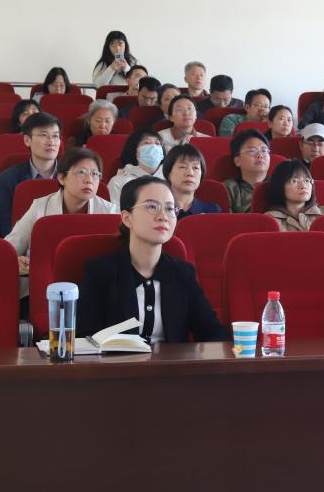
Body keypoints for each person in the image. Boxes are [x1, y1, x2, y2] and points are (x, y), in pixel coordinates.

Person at [77, 176, 230, 344]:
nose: (163, 216)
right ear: (127, 218)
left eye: (170, 209)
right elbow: (85, 339)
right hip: (116, 361)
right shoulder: (99, 272)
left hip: (172, 361)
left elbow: (213, 333)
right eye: (152, 207)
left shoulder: (182, 273)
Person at [6, 148, 118, 274]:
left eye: (95, 174)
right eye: (81, 172)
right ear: (61, 178)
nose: (89, 180)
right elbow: (9, 248)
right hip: (48, 277)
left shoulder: (109, 211)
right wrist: (15, 260)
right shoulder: (40, 207)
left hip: (94, 277)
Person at [0, 112, 61, 237]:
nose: (51, 142)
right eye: (44, 135)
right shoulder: (8, 178)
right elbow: (6, 224)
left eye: (56, 136)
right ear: (27, 140)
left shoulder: (71, 176)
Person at [264, 160, 324, 232]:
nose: (303, 186)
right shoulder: (270, 220)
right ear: (279, 186)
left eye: (307, 180)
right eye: (295, 181)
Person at [163, 144, 221, 218]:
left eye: (195, 168)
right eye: (183, 167)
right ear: (169, 173)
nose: (190, 173)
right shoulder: (157, 210)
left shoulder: (212, 211)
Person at [108, 129, 165, 203]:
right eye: (147, 143)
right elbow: (115, 209)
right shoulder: (118, 182)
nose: (154, 147)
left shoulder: (171, 178)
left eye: (157, 143)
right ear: (135, 150)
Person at [224, 129, 270, 213]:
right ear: (237, 160)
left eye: (264, 150)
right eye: (252, 151)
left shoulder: (280, 184)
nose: (260, 155)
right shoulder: (229, 188)